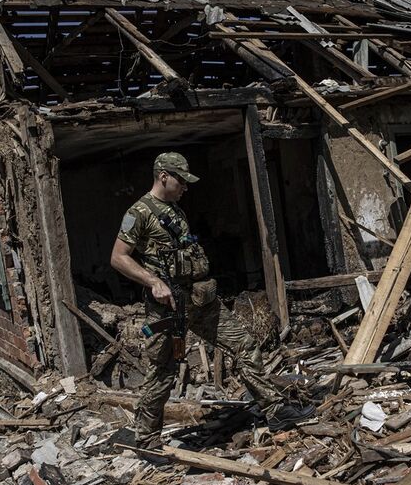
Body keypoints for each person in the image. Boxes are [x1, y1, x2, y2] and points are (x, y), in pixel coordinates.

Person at [110, 152, 314, 452]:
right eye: (181, 180)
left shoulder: (175, 210)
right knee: (162, 372)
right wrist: (153, 282)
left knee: (245, 346)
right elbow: (118, 257)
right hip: (169, 308)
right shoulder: (138, 212)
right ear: (163, 176)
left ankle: (275, 411)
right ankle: (147, 441)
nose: (185, 187)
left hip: (201, 300)